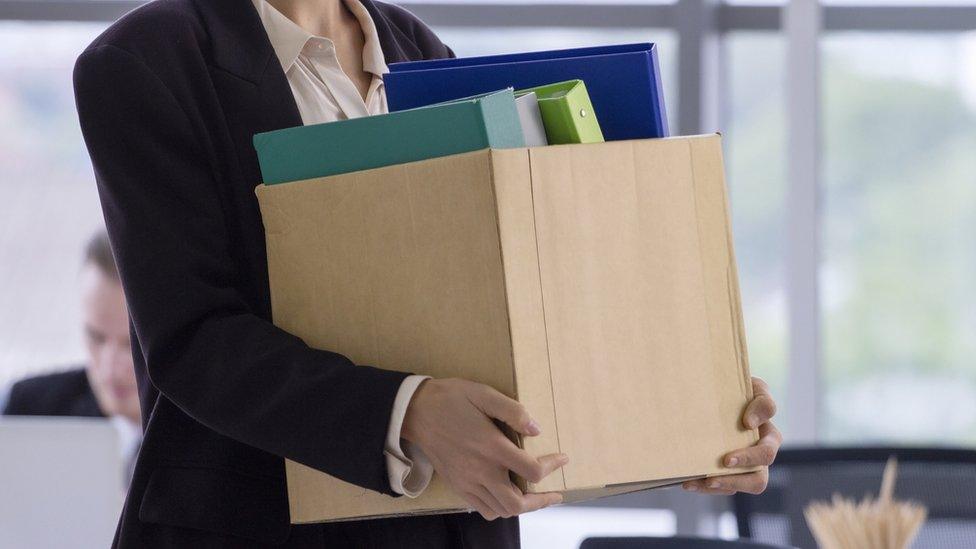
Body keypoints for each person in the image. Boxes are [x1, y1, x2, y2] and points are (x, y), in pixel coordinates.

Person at [72, 0, 782, 547]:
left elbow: (519, 305)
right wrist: (408, 411)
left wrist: (688, 409)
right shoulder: (144, 62)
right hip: (248, 526)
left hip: (450, 531)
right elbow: (195, 339)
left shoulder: (416, 50)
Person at [3, 230, 142, 482]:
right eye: (96, 338)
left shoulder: (219, 435)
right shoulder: (28, 413)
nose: (110, 368)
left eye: (131, 345)